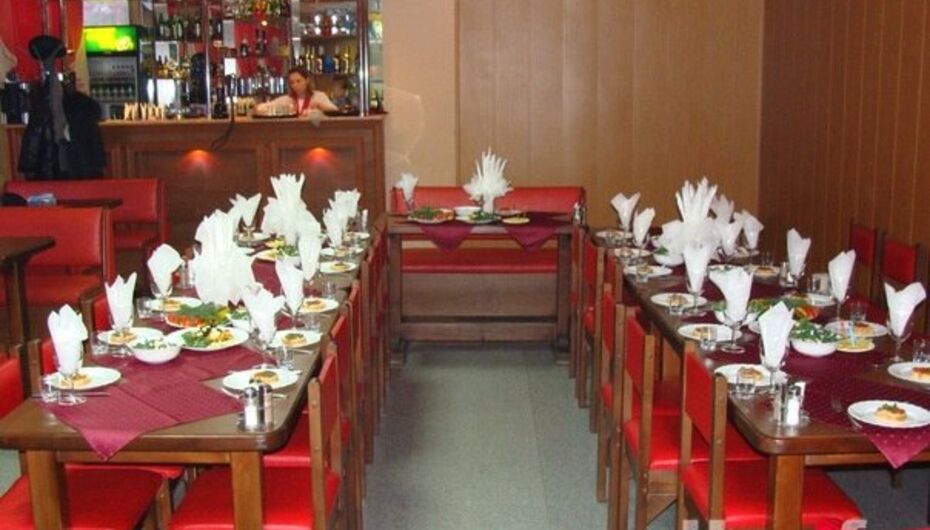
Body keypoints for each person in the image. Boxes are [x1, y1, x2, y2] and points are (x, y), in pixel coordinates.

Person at [255, 67, 337, 117]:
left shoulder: (319, 96)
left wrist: (320, 106)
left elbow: (335, 112)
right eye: (292, 82)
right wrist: (259, 108)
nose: (295, 85)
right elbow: (260, 109)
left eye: (298, 81)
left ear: (307, 80)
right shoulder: (286, 99)